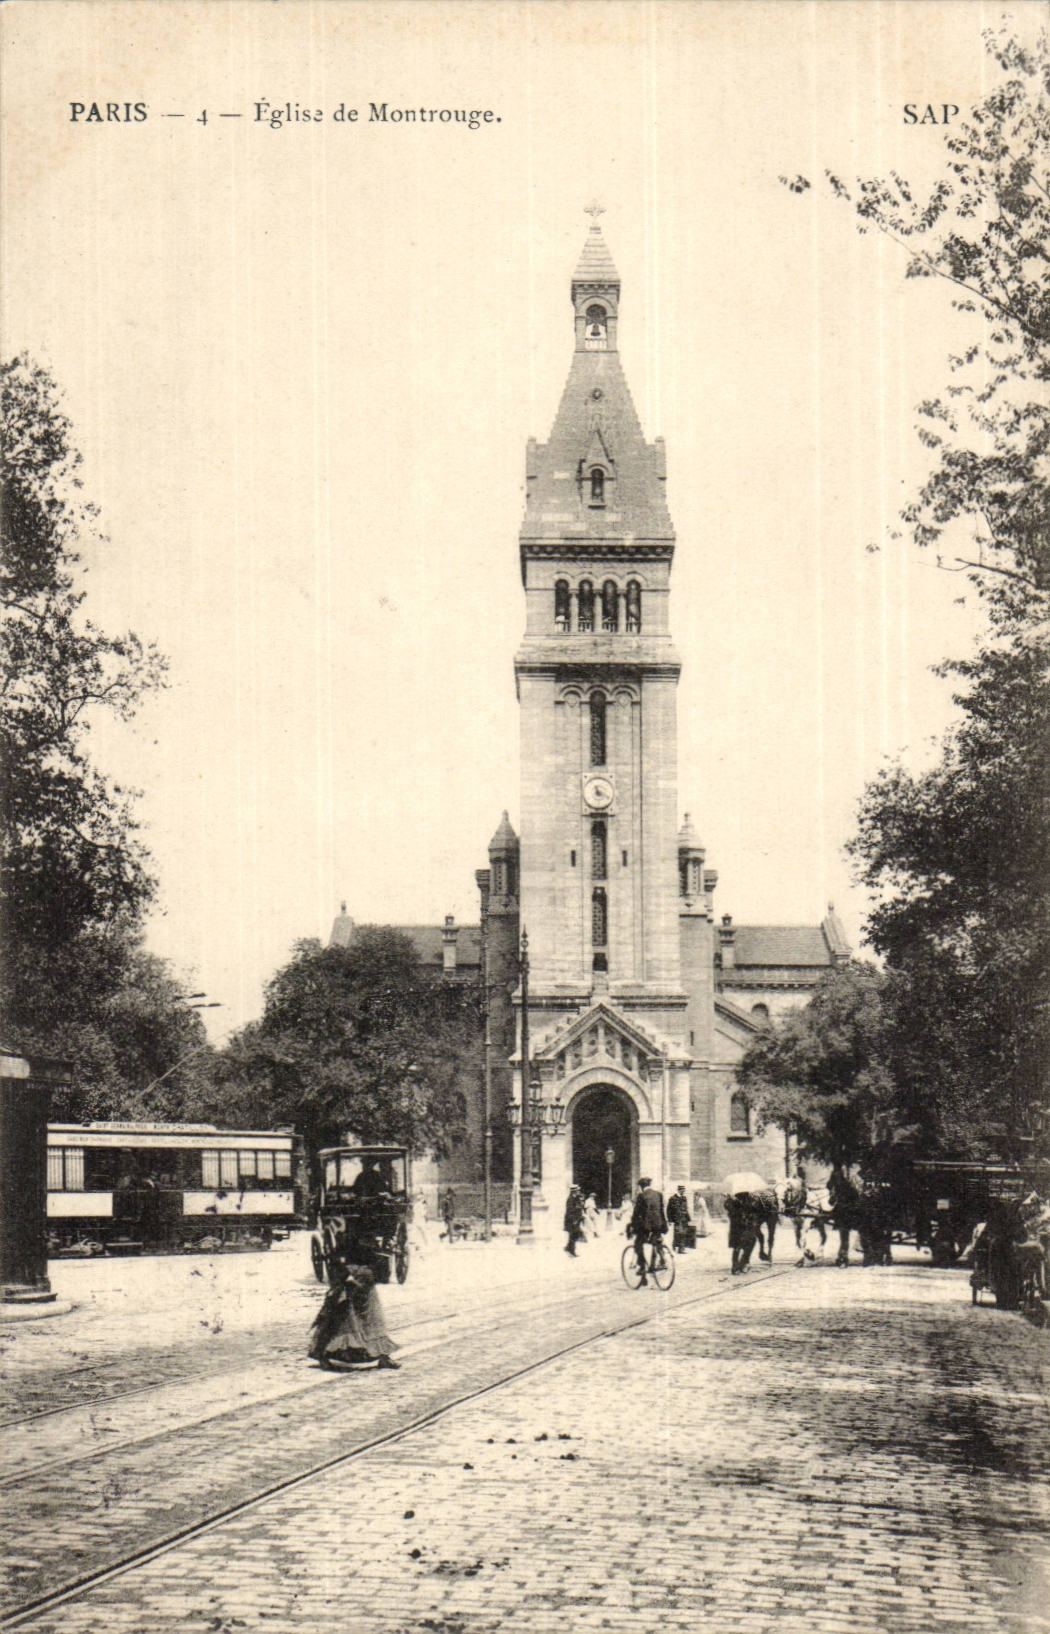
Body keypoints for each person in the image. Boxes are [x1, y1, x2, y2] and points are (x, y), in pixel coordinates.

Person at [308, 1251, 400, 1371]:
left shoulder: (370, 1234)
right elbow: (334, 1253)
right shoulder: (346, 1234)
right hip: (351, 1280)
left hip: (366, 1281)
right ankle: (323, 1356)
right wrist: (346, 1275)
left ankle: (383, 1357)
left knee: (373, 1319)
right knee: (342, 1320)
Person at [628, 1177, 667, 1285]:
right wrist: (664, 1226)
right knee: (656, 1242)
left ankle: (642, 1267)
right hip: (659, 1225)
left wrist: (632, 1226)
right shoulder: (659, 1194)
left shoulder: (641, 1196)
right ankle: (661, 1260)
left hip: (647, 1227)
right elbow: (661, 1211)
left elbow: (636, 1214)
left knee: (638, 1244)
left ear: (641, 1186)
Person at [667, 1184, 693, 1252]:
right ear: (679, 1190)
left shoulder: (684, 1198)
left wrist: (688, 1218)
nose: (683, 1191)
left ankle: (681, 1248)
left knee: (683, 1233)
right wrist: (669, 1220)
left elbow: (686, 1208)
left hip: (684, 1218)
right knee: (678, 1233)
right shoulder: (672, 1198)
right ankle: (676, 1245)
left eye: (684, 1190)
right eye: (682, 1190)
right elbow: (669, 1210)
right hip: (677, 1219)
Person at [563, 1185, 586, 1256]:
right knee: (573, 1235)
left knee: (574, 1235)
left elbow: (580, 1207)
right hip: (572, 1220)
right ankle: (572, 1250)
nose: (579, 1192)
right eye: (577, 1191)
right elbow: (570, 1211)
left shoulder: (575, 1198)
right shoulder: (570, 1199)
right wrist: (573, 1220)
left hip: (576, 1219)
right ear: (574, 1192)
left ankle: (568, 1247)